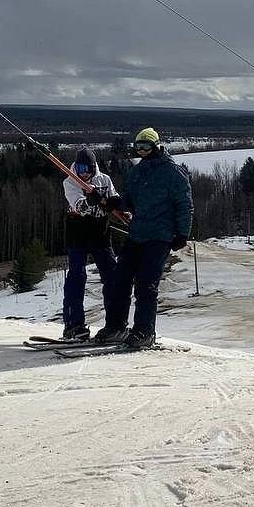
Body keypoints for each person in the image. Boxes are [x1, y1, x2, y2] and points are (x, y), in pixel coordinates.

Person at [90, 128, 193, 348]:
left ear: (156, 146)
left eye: (146, 147)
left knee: (146, 284)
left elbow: (184, 205)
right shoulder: (138, 171)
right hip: (137, 233)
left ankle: (144, 331)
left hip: (160, 236)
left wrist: (182, 233)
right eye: (138, 148)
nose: (142, 152)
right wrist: (113, 202)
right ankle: (116, 327)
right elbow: (129, 199)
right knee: (120, 280)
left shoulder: (173, 172)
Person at [60, 147, 117, 341]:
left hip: (101, 233)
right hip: (78, 233)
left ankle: (115, 323)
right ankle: (74, 326)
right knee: (77, 276)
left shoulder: (104, 180)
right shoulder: (70, 181)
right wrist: (90, 201)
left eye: (87, 168)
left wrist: (117, 205)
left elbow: (113, 199)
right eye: (80, 168)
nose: (83, 172)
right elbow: (78, 205)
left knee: (112, 276)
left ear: (94, 167)